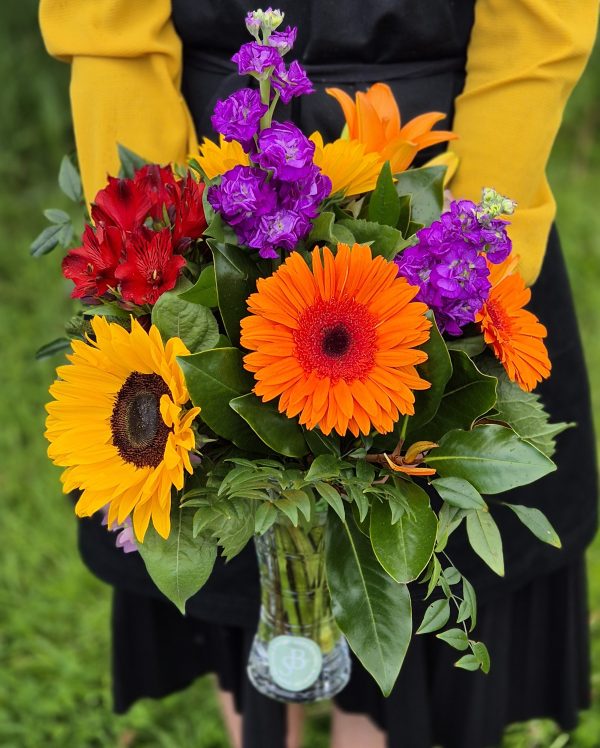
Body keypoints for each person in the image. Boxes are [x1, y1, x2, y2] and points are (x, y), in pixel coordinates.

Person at [39, 1, 598, 746]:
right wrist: (160, 241)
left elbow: (537, 22)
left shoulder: (453, 229)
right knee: (225, 524)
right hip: (209, 156)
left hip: (438, 170)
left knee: (410, 525)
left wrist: (467, 251)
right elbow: (106, 23)